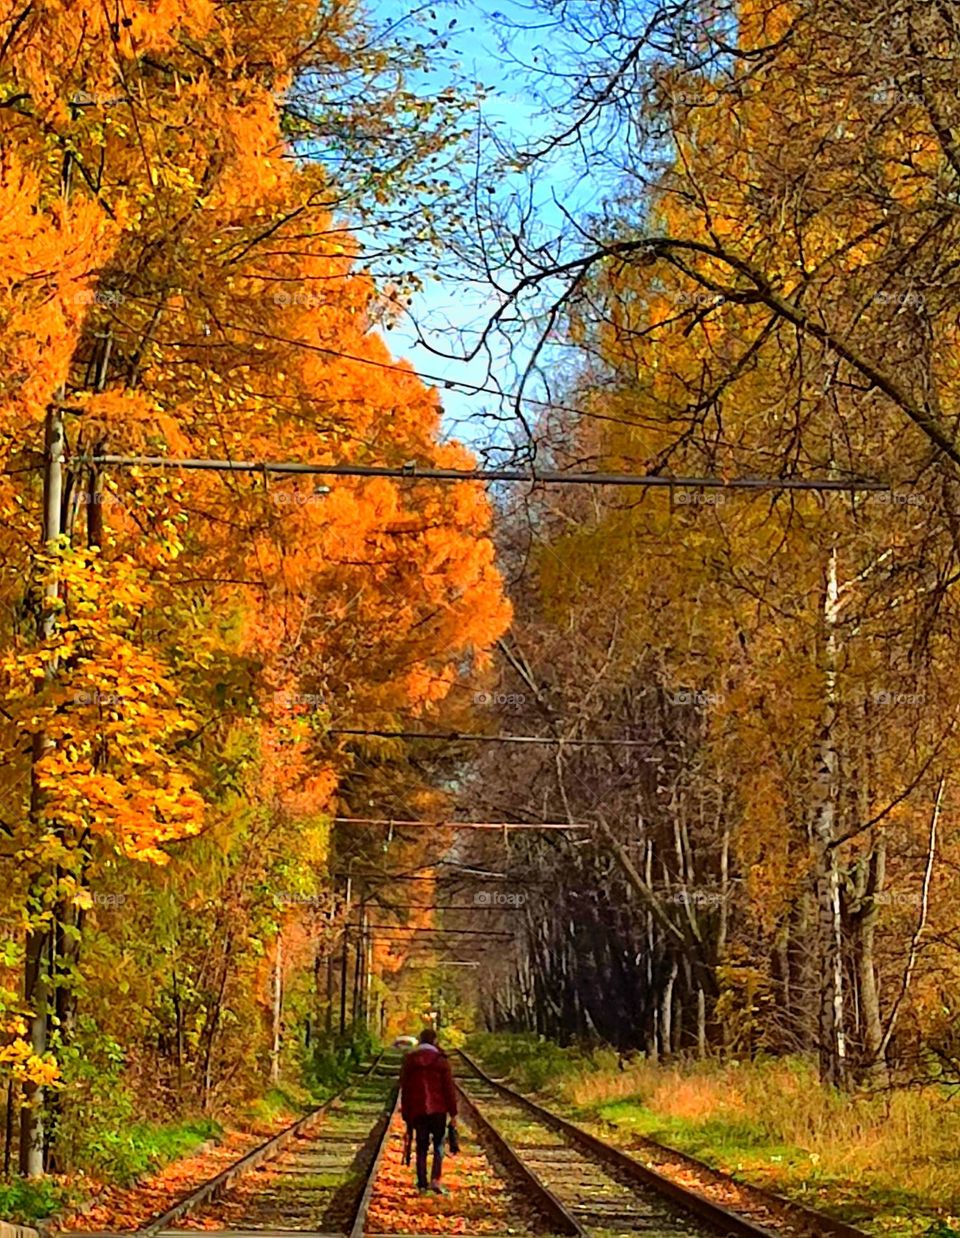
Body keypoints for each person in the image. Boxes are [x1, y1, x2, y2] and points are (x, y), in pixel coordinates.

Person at [399, 1027, 458, 1194]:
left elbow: (405, 1088)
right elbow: (448, 1089)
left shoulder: (410, 1060)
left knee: (421, 1145)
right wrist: (453, 1113)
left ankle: (422, 1183)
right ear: (434, 1041)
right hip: (438, 1109)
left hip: (417, 1109)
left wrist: (406, 1113)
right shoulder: (440, 1061)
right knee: (439, 1145)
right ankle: (436, 1180)